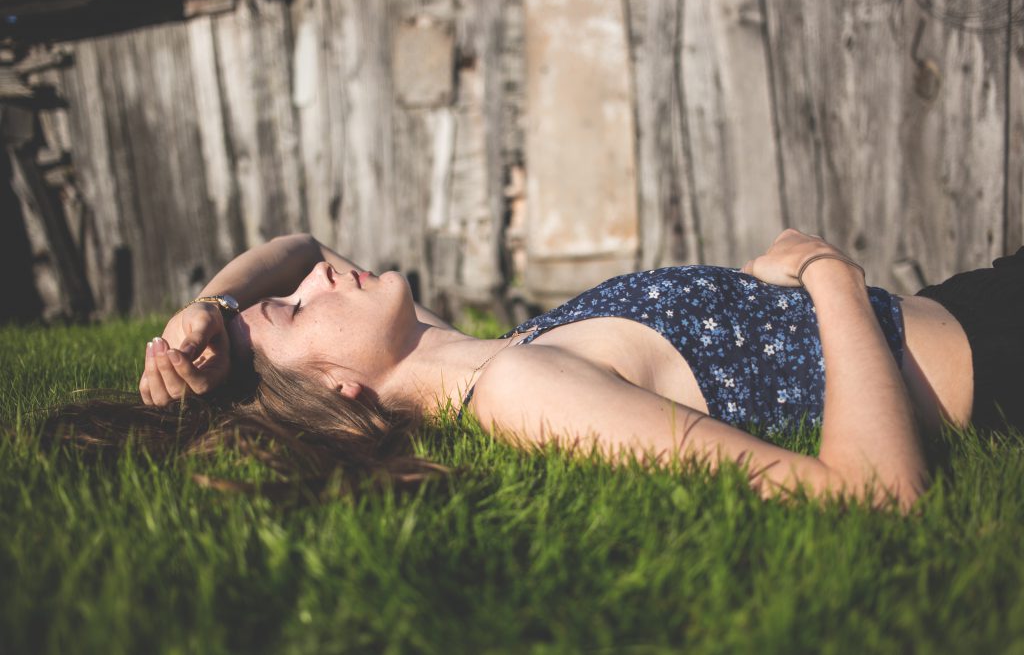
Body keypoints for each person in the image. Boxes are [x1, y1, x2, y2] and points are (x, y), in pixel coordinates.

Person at [64, 230, 1017, 508]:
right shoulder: (520, 390)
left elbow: (292, 239)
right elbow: (873, 492)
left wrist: (217, 309)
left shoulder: (462, 352)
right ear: (341, 389)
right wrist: (832, 279)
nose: (316, 275)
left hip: (973, 302)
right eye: (293, 307)